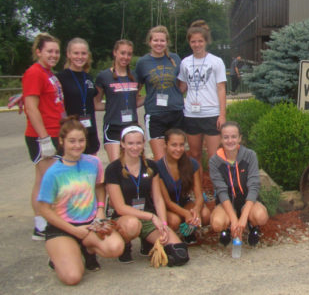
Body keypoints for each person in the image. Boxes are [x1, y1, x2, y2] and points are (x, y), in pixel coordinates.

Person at [37, 117, 125, 285]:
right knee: (72, 277)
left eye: (81, 140)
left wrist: (100, 209)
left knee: (116, 248)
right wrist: (74, 230)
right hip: (63, 227)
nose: (77, 145)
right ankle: (60, 255)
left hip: (90, 223)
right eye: (72, 141)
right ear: (61, 141)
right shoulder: (53, 172)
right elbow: (44, 209)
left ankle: (87, 249)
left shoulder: (93, 162)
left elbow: (99, 186)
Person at [104, 126, 189, 266]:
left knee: (180, 254)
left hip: (147, 216)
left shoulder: (150, 166)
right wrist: (152, 217)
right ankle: (125, 244)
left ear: (144, 143)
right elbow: (119, 207)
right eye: (130, 143)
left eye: (138, 143)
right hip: (125, 217)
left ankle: (147, 241)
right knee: (132, 224)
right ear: (122, 144)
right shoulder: (113, 169)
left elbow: (157, 198)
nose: (135, 147)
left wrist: (163, 224)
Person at [23, 33, 66, 240]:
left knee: (42, 179)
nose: (53, 55)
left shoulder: (48, 73)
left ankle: (41, 223)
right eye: (49, 51)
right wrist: (43, 138)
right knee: (49, 181)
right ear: (38, 51)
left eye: (56, 51)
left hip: (54, 131)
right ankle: (44, 223)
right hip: (42, 135)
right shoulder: (34, 73)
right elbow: (31, 108)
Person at [209, 121, 268, 247]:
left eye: (234, 137)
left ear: (240, 138)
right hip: (226, 202)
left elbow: (254, 186)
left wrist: (243, 219)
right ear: (221, 139)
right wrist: (234, 219)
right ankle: (227, 228)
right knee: (217, 223)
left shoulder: (250, 155)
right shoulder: (214, 161)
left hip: (247, 200)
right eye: (226, 137)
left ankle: (252, 225)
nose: (230, 140)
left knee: (261, 216)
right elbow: (221, 191)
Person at [177, 20, 227, 165]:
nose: (197, 44)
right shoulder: (185, 62)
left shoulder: (216, 61)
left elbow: (221, 88)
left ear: (206, 41)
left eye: (200, 41)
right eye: (193, 41)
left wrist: (222, 115)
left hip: (211, 114)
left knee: (214, 157)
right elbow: (182, 87)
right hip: (191, 114)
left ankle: (216, 188)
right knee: (194, 155)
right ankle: (198, 188)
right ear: (189, 42)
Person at [135, 26, 184, 160]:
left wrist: (176, 96)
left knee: (176, 157)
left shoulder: (175, 59)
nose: (159, 43)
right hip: (155, 115)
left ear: (167, 42)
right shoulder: (142, 62)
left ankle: (177, 182)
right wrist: (149, 97)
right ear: (150, 42)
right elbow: (136, 89)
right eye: (155, 40)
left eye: (162, 41)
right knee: (161, 159)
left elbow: (182, 84)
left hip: (176, 113)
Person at [157, 128, 211, 244]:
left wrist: (196, 210)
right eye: (174, 145)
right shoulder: (158, 167)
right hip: (167, 207)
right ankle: (167, 235)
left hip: (183, 202)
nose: (178, 149)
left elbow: (199, 195)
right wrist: (186, 214)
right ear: (165, 145)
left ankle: (189, 231)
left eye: (181, 145)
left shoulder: (191, 163)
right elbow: (166, 202)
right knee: (175, 220)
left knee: (205, 214)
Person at [95, 40, 142, 162]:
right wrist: (113, 106)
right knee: (116, 166)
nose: (125, 57)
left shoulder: (135, 76)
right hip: (113, 126)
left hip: (131, 125)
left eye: (129, 54)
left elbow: (135, 101)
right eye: (122, 53)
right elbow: (96, 103)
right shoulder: (104, 76)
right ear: (115, 53)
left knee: (132, 165)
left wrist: (150, 97)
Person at [57, 38, 102, 155]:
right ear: (68, 54)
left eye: (83, 53)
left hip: (90, 131)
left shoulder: (88, 77)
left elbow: (95, 104)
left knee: (91, 169)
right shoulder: (60, 78)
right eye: (76, 53)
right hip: (71, 133)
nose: (80, 57)